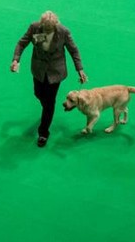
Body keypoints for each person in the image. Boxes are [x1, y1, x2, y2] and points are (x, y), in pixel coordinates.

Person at [10, 10, 87, 147]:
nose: (47, 30)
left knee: (49, 102)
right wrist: (16, 60)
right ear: (41, 23)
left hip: (55, 72)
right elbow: (22, 43)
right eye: (45, 27)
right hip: (39, 70)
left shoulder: (63, 32)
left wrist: (80, 69)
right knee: (39, 94)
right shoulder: (34, 27)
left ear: (56, 24)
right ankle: (47, 109)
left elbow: (73, 50)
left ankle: (43, 133)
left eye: (50, 28)